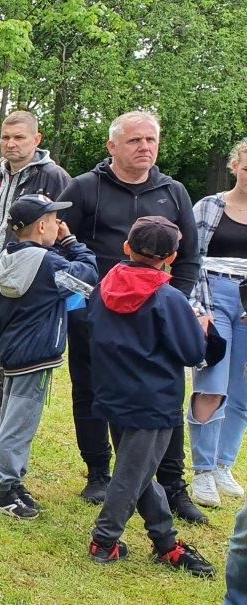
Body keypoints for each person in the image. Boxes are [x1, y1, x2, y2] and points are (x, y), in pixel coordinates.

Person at [59, 111, 204, 522]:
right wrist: (84, 303)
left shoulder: (174, 192)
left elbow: (189, 257)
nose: (144, 147)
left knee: (163, 401)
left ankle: (174, 486)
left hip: (157, 321)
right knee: (90, 392)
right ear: (112, 147)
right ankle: (99, 473)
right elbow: (58, 245)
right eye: (134, 140)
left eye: (150, 140)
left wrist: (171, 305)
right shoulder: (86, 188)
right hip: (98, 318)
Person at [86, 216, 214, 577]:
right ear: (171, 257)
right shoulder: (168, 297)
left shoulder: (105, 283)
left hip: (112, 392)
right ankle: (104, 541)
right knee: (131, 474)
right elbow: (191, 352)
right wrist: (201, 328)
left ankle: (165, 542)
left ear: (126, 247)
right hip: (154, 400)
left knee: (138, 471)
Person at [0, 194, 97, 520]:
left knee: (14, 418)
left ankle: (12, 481)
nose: (59, 225)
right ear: (42, 225)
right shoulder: (49, 263)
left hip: (13, 349)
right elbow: (88, 276)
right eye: (55, 220)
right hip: (36, 354)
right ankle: (1, 489)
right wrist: (72, 241)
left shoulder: (5, 257)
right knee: (20, 423)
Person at [0, 111, 71, 452]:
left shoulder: (54, 178)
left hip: (24, 290)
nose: (10, 143)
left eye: (19, 137)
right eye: (5, 137)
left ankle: (7, 440)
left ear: (36, 140)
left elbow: (61, 229)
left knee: (7, 365)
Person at [187, 139, 247, 509]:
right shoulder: (210, 206)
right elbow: (190, 258)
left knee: (242, 390)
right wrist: (195, 307)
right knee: (212, 382)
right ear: (235, 165)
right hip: (213, 298)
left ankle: (225, 464)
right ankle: (203, 470)